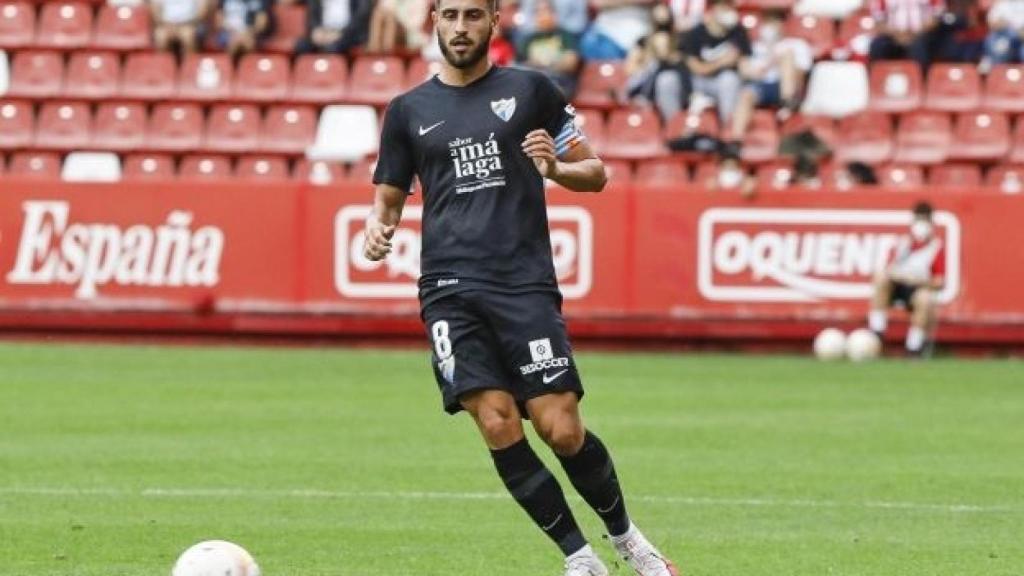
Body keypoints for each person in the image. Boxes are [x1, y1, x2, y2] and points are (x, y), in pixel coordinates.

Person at [363, 0, 679, 574]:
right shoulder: (407, 110)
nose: (461, 28)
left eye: (473, 16)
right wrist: (375, 228)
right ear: (433, 20)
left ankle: (626, 536)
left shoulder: (533, 90)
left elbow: (597, 173)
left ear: (493, 23)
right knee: (496, 421)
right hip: (447, 288)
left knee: (560, 427)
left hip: (522, 283)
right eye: (451, 15)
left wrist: (556, 169)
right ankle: (580, 559)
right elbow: (388, 197)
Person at [868, 201, 945, 357]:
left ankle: (913, 348)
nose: (920, 224)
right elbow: (887, 270)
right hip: (897, 286)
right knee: (880, 278)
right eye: (918, 219)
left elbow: (939, 282)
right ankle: (877, 333)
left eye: (924, 220)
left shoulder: (936, 248)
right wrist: (896, 275)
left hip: (917, 289)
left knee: (925, 299)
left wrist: (919, 282)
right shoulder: (902, 244)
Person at [683, 0, 750, 155]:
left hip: (727, 84)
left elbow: (745, 65)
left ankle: (728, 129)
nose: (727, 10)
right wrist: (722, 62)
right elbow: (696, 68)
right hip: (699, 83)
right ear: (711, 11)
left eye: (729, 6)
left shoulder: (738, 32)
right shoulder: (695, 33)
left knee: (729, 79)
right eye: (722, 6)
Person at [734, 8, 812, 127]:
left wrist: (775, 57)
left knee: (787, 55)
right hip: (761, 85)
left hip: (784, 86)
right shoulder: (753, 46)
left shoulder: (796, 44)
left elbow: (801, 75)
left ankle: (787, 103)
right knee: (745, 95)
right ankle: (735, 140)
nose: (772, 26)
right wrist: (759, 69)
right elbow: (744, 71)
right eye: (768, 22)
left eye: (776, 22)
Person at [625, 3, 690, 121]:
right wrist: (650, 57)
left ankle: (673, 126)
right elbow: (630, 70)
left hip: (674, 87)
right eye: (658, 22)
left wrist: (667, 54)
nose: (661, 28)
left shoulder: (682, 42)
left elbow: (687, 67)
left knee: (666, 79)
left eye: (665, 23)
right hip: (647, 87)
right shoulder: (643, 41)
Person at [516, 0, 581, 98]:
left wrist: (541, 65)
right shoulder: (528, 39)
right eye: (538, 12)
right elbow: (518, 66)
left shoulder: (565, 35)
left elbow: (570, 63)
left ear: (554, 14)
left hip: (559, 83)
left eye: (546, 11)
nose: (542, 15)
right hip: (534, 83)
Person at [867, 0, 945, 70]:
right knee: (877, 45)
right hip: (892, 35)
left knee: (919, 48)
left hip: (921, 34)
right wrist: (897, 34)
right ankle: (877, 79)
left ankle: (922, 81)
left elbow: (937, 17)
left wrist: (915, 33)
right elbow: (878, 21)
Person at [294, 0, 373, 55]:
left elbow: (360, 19)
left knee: (332, 48)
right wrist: (316, 30)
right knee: (302, 46)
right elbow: (312, 17)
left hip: (348, 34)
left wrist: (340, 34)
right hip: (324, 32)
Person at [982, 0, 1024, 68]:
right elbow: (992, 23)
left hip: (1022, 37)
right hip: (1005, 35)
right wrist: (1006, 25)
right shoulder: (1002, 3)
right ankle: (993, 69)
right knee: (998, 46)